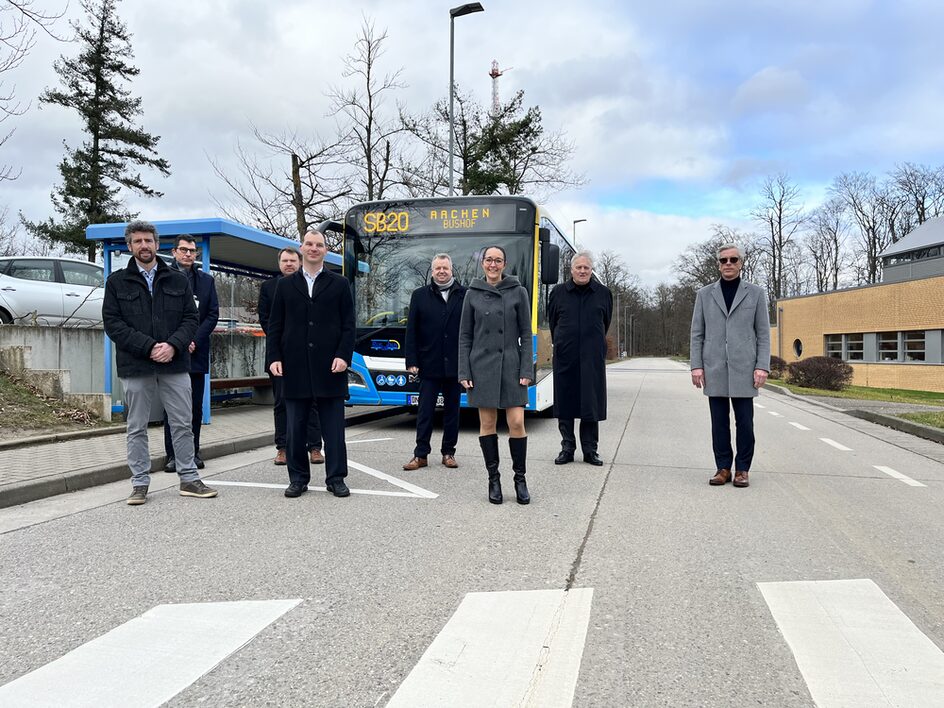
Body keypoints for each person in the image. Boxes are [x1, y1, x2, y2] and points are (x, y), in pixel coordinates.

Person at [102, 220, 218, 505]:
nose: (144, 245)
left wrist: (173, 346)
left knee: (182, 423)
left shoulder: (177, 280)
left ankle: (189, 478)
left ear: (157, 244)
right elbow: (113, 324)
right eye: (138, 241)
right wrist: (150, 347)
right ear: (130, 246)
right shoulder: (117, 282)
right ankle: (140, 484)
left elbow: (191, 319)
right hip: (136, 364)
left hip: (175, 363)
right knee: (137, 426)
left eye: (148, 240)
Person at [267, 230, 355, 499]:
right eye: (309, 244)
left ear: (326, 251)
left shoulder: (339, 284)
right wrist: (274, 358)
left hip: (331, 367)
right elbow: (275, 326)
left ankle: (336, 478)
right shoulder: (285, 285)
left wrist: (343, 355)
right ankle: (298, 478)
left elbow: (348, 325)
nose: (314, 248)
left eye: (319, 245)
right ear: (301, 248)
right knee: (294, 428)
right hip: (294, 367)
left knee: (333, 430)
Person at [690, 243, 770, 488]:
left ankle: (742, 469)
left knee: (745, 422)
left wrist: (762, 366)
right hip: (714, 367)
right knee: (719, 421)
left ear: (741, 263)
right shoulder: (705, 294)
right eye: (723, 260)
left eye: (733, 260)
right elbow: (697, 333)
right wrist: (696, 366)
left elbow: (763, 334)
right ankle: (723, 467)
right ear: (718, 264)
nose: (728, 264)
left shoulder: (755, 293)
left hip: (745, 368)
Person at [458, 245, 534, 505]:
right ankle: (494, 479)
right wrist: (464, 371)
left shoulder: (518, 291)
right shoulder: (472, 294)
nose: (492, 264)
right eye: (488, 260)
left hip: (512, 366)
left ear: (504, 264)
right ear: (482, 263)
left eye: (497, 260)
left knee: (516, 423)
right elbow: (465, 336)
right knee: (487, 424)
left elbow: (526, 333)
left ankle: (520, 478)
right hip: (482, 367)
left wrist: (526, 369)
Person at [258, 247, 324, 466]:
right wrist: (285, 343)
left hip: (309, 354)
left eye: (292, 260)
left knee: (312, 401)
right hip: (281, 356)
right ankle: (283, 448)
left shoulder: (311, 285)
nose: (288, 264)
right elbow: (267, 321)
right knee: (281, 402)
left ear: (300, 261)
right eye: (284, 260)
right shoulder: (269, 287)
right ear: (279, 264)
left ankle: (314, 447)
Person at [402, 254, 467, 471]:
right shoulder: (419, 295)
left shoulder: (465, 295)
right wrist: (411, 360)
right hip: (428, 363)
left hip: (456, 365)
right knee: (425, 412)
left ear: (452, 270)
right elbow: (411, 330)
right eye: (437, 268)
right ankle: (420, 455)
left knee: (452, 412)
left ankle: (448, 453)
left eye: (445, 268)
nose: (441, 271)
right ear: (432, 271)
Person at [548, 250, 613, 466]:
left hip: (592, 359)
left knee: (590, 404)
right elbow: (553, 322)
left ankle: (590, 450)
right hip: (566, 357)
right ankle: (567, 447)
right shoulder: (558, 292)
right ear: (572, 270)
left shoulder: (603, 293)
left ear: (591, 270)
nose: (583, 271)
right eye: (579, 267)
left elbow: (606, 322)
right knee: (565, 402)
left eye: (586, 267)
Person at [163, 234, 219, 473]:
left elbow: (212, 314)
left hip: (196, 352)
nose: (188, 254)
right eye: (184, 250)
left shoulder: (206, 281)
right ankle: (173, 455)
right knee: (172, 408)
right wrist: (178, 342)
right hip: (171, 352)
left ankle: (192, 452)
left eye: (192, 251)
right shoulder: (162, 278)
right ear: (174, 252)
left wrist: (194, 340)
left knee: (194, 407)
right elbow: (160, 314)